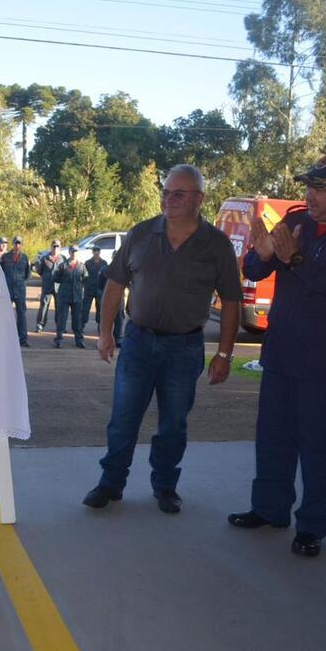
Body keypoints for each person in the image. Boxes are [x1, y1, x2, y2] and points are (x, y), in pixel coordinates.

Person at [228, 154, 326, 558]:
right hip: (282, 352)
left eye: (320, 188)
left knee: (316, 445)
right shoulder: (296, 221)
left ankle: (312, 525)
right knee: (272, 440)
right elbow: (253, 268)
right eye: (308, 187)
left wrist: (294, 259)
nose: (309, 196)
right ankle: (269, 510)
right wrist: (263, 254)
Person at [83, 164, 242, 514]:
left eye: (179, 194)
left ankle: (165, 486)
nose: (169, 199)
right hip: (137, 342)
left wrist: (225, 355)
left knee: (173, 424)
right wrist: (106, 332)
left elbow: (232, 302)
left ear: (199, 199)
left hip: (184, 348)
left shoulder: (215, 244)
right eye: (166, 192)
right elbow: (115, 284)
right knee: (123, 418)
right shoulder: (141, 234)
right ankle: (110, 484)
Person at [54, 245, 88, 348]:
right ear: (69, 252)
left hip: (77, 297)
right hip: (64, 296)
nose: (74, 253)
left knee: (77, 321)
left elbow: (85, 278)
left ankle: (79, 340)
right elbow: (56, 277)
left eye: (76, 252)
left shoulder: (82, 266)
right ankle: (59, 339)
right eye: (72, 251)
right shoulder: (63, 265)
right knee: (62, 320)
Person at [0, 236, 31, 347]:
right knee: (6, 315)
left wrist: (21, 283)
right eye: (15, 243)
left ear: (21, 245)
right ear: (12, 244)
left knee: (21, 315)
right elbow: (1, 273)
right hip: (8, 290)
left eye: (19, 244)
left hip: (20, 291)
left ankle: (23, 339)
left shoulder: (25, 258)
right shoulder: (5, 257)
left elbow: (28, 274)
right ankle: (6, 338)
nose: (17, 245)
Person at [35, 239, 64, 332]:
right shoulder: (44, 258)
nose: (55, 248)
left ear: (60, 248)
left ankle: (59, 326)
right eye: (54, 246)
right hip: (47, 286)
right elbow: (39, 271)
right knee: (44, 306)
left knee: (59, 307)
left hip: (58, 286)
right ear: (51, 247)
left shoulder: (63, 259)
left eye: (57, 246)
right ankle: (40, 325)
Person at [82, 246, 105, 331]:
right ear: (92, 252)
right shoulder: (87, 263)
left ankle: (100, 328)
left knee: (100, 309)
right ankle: (81, 326)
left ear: (100, 252)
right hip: (89, 289)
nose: (96, 252)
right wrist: (85, 286)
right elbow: (84, 276)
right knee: (85, 309)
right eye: (95, 251)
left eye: (98, 251)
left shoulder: (104, 263)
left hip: (100, 290)